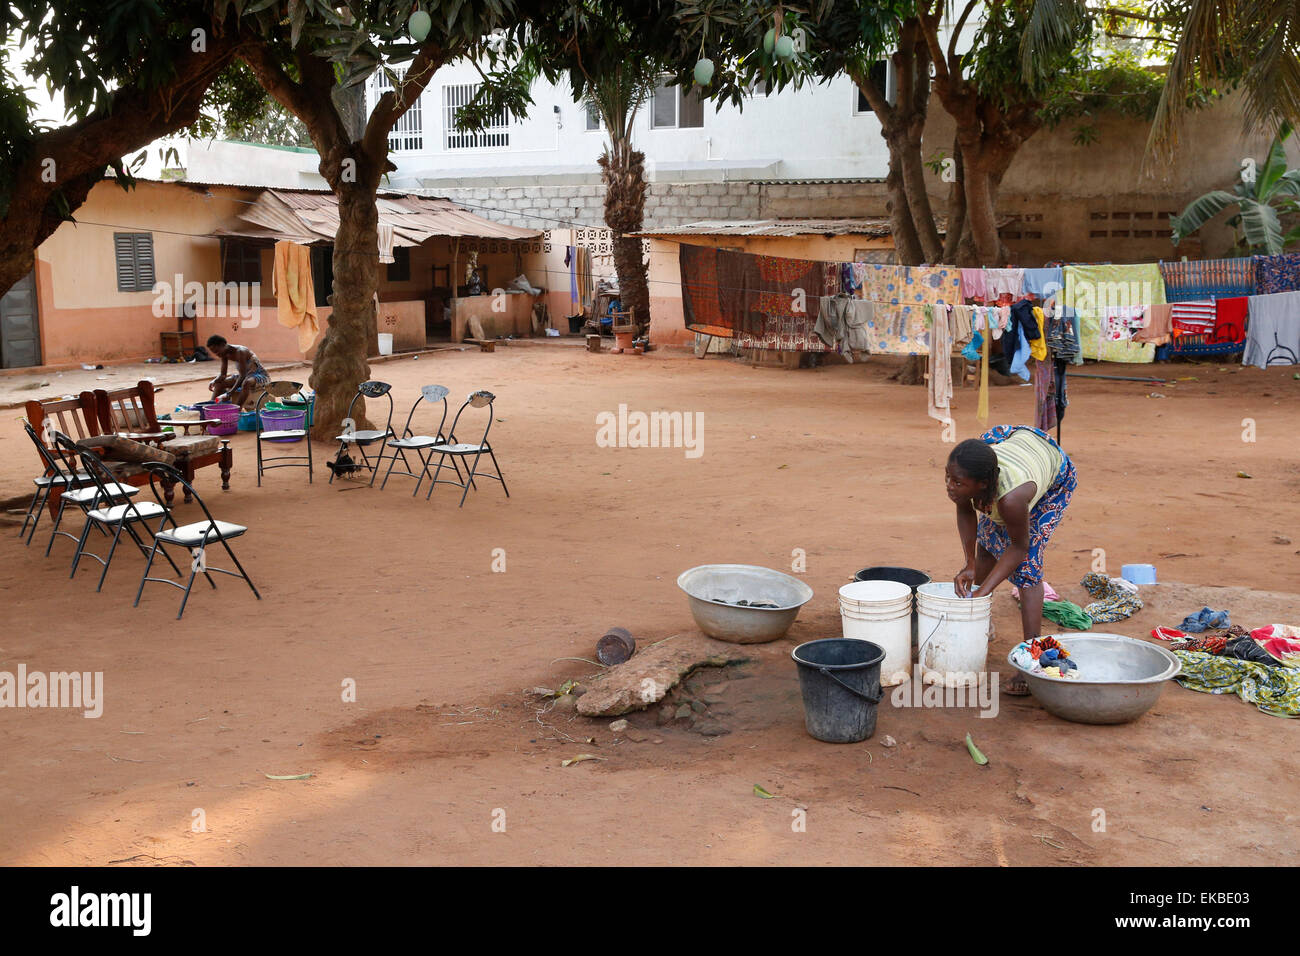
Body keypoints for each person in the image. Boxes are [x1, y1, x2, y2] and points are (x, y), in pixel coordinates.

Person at [944, 425, 1077, 694]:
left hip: (1054, 471)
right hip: (1014, 439)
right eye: (947, 477)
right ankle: (980, 622)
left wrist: (983, 591)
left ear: (982, 484)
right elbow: (965, 509)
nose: (949, 486)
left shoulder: (1012, 499)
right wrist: (969, 563)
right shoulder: (970, 473)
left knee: (1028, 570)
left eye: (957, 482)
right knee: (987, 545)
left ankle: (1033, 662)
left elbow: (1018, 547)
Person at [206, 335, 270, 408]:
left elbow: (242, 375)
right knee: (218, 384)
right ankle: (211, 407)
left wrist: (229, 393)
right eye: (214, 353)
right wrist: (214, 381)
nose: (217, 354)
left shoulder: (240, 351)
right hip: (245, 376)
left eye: (217, 351)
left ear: (223, 345)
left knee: (246, 383)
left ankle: (237, 408)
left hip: (258, 376)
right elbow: (223, 375)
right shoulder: (224, 354)